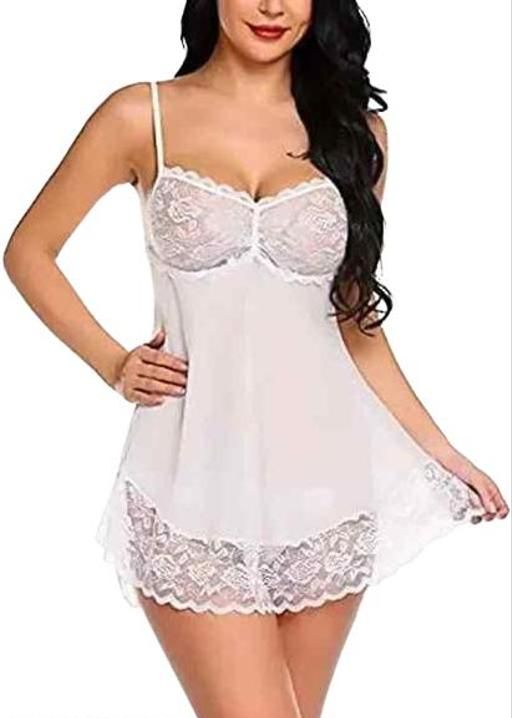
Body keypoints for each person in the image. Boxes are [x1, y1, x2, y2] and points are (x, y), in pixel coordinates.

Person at [3, 1, 509, 717]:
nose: (273, 6)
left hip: (327, 491)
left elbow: (355, 325)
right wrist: (112, 361)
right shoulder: (140, 115)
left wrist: (443, 452)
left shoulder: (356, 135)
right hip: (190, 489)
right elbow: (29, 251)